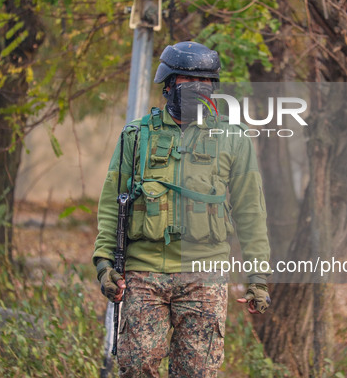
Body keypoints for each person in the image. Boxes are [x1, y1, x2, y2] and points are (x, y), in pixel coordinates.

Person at [92, 41, 271, 377]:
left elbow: (250, 211)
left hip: (205, 277)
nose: (196, 88)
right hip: (143, 274)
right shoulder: (136, 136)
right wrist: (104, 264)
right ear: (169, 84)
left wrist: (258, 278)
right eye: (187, 80)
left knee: (198, 372)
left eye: (204, 82)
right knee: (135, 367)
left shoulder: (232, 138)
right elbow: (110, 204)